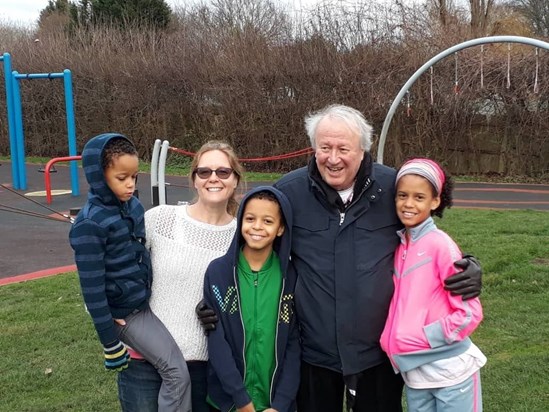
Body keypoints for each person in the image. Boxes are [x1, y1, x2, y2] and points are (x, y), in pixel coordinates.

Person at [198, 104, 482, 411]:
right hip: (313, 353)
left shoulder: (393, 188)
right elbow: (252, 240)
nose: (333, 158)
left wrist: (467, 265)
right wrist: (218, 298)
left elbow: (425, 236)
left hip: (377, 354)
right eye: (324, 147)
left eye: (343, 148)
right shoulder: (290, 192)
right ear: (313, 148)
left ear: (363, 149)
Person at [117, 140, 244, 412]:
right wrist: (110, 308)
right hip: (145, 364)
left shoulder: (243, 237)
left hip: (207, 368)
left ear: (235, 180)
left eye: (223, 172)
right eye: (204, 172)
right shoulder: (160, 220)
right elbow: (116, 266)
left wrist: (223, 310)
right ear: (194, 179)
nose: (213, 178)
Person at [69, 133, 191, 412]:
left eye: (134, 177)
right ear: (99, 176)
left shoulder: (134, 207)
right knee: (176, 373)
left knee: (177, 370)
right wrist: (109, 341)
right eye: (121, 177)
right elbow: (92, 287)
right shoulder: (90, 224)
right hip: (126, 315)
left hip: (144, 302)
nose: (130, 185)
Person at [380, 158, 486, 412]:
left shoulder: (440, 245)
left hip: (452, 371)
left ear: (435, 201)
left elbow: (469, 313)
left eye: (419, 197)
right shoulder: (399, 246)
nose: (408, 204)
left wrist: (426, 337)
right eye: (402, 195)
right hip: (416, 375)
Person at [203, 186, 300, 412]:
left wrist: (281, 404)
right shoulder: (219, 273)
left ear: (281, 228)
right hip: (228, 403)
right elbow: (216, 339)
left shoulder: (291, 277)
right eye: (250, 218)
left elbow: (294, 342)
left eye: (267, 221)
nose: (257, 227)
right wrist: (240, 399)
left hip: (275, 402)